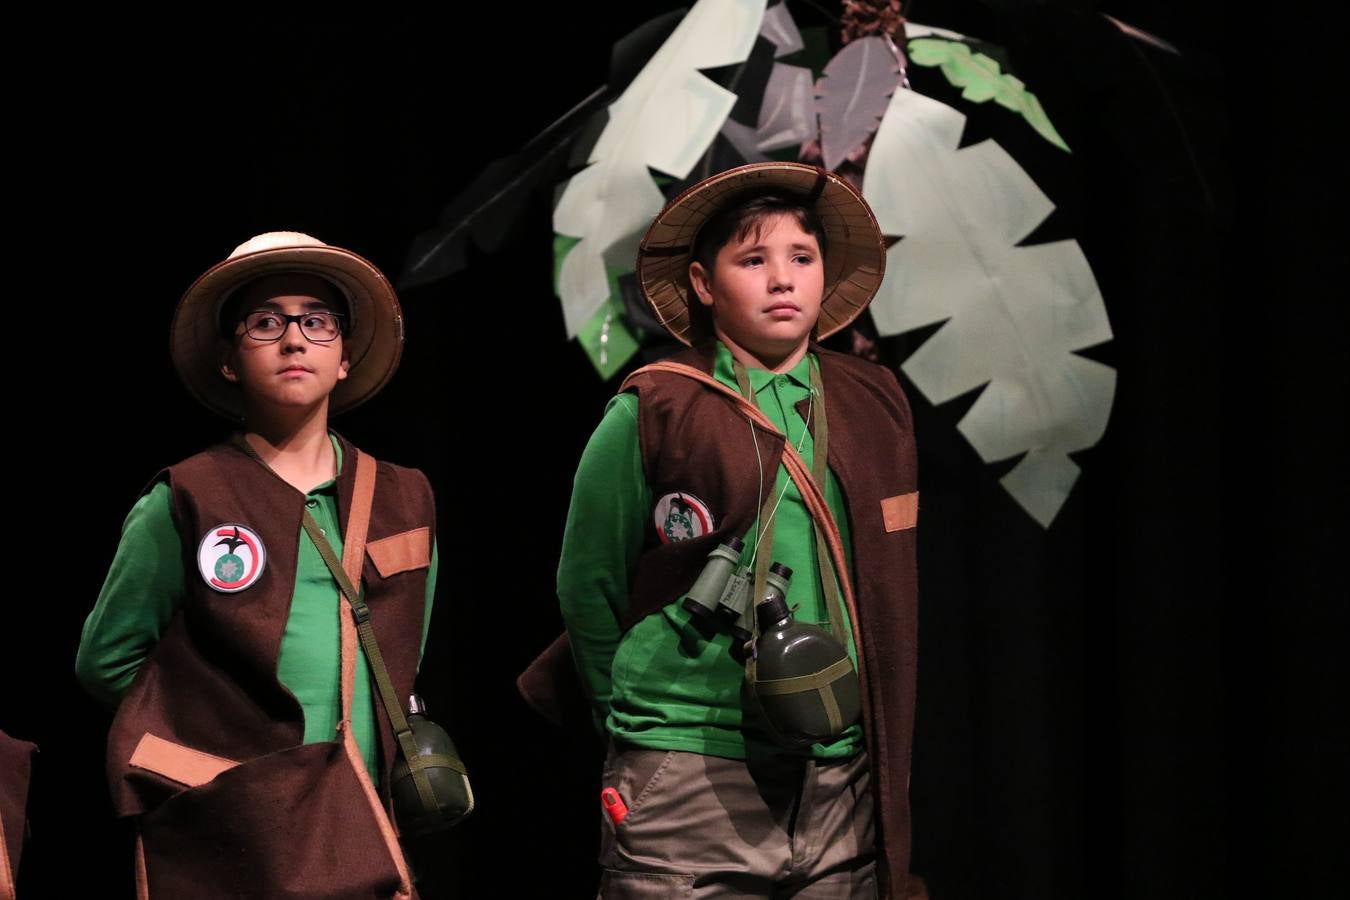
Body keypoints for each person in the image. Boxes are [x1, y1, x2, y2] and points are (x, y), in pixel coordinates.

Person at [526, 162, 922, 898]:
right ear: (705, 285)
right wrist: (640, 726)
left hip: (838, 772)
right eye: (753, 260)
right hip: (688, 768)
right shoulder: (656, 408)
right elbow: (588, 582)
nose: (782, 280)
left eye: (801, 258)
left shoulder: (873, 401)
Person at [77, 232, 440, 898]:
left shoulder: (405, 497)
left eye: (316, 320)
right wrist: (205, 745)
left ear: (344, 357)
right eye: (266, 322)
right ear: (229, 361)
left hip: (360, 825)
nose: (294, 340)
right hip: (233, 823)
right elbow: (109, 659)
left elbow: (406, 647)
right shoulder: (187, 495)